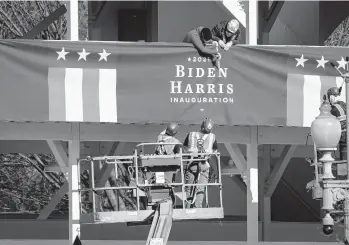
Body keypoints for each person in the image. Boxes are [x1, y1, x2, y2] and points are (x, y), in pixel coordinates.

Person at [183, 118, 218, 208]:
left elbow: (185, 147)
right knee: (201, 187)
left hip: (191, 164)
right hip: (204, 165)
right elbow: (214, 150)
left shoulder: (191, 135)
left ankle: (187, 206)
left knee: (189, 186)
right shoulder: (212, 137)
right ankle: (198, 207)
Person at [327, 86, 347, 160]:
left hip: (344, 136)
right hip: (345, 134)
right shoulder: (343, 104)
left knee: (344, 157)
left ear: (332, 96)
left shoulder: (335, 107)